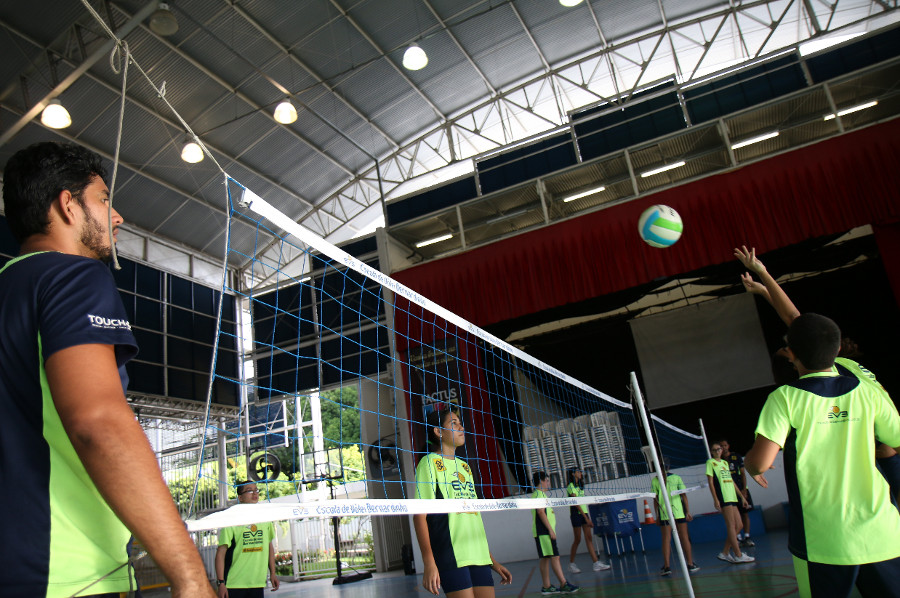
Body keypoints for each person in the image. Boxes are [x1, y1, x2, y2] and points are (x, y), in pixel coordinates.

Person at [0, 141, 214, 597]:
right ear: (67, 205)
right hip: (62, 571)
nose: (116, 216)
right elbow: (99, 424)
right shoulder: (71, 276)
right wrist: (192, 577)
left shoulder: (8, 286)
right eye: (103, 199)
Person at [744, 313, 900, 598]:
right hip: (882, 530)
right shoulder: (868, 393)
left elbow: (760, 462)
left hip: (821, 539)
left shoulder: (785, 398)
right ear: (838, 350)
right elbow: (896, 439)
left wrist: (750, 465)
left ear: (791, 354)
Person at [736, 245, 900, 513]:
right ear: (796, 361)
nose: (789, 343)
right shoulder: (835, 380)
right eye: (787, 348)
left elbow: (795, 319)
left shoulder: (837, 367)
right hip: (882, 449)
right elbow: (795, 319)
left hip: (885, 444)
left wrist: (765, 286)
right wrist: (763, 273)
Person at [413, 408, 512, 597]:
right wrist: (428, 562)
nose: (461, 427)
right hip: (452, 555)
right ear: (438, 431)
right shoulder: (429, 463)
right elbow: (419, 516)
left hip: (479, 556)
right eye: (454, 423)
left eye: (460, 422)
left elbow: (472, 519)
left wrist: (491, 560)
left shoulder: (465, 466)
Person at [215, 481, 280, 597]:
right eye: (249, 491)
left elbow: (269, 547)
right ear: (240, 497)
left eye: (256, 490)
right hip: (234, 584)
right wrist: (221, 582)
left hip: (257, 583)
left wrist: (273, 574)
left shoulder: (265, 518)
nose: (254, 493)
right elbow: (221, 552)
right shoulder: (232, 520)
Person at [706, 443, 754, 564]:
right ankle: (737, 555)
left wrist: (742, 497)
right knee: (731, 526)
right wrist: (715, 499)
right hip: (723, 497)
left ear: (722, 450)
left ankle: (725, 552)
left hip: (732, 496)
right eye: (714, 449)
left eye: (719, 449)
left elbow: (731, 481)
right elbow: (711, 483)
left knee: (739, 525)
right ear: (711, 452)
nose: (717, 451)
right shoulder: (710, 463)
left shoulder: (725, 463)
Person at [532, 471, 579, 594]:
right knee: (555, 557)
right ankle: (563, 583)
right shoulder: (538, 495)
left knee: (545, 558)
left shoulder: (541, 494)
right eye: (547, 480)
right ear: (541, 481)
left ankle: (546, 586)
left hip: (543, 532)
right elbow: (541, 512)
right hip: (544, 532)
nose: (548, 483)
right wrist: (550, 530)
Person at [651, 458, 700, 576]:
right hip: (678, 512)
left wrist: (657, 515)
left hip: (665, 513)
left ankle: (667, 567)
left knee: (667, 539)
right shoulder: (675, 477)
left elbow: (655, 500)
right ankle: (690, 564)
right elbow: (684, 495)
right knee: (683, 537)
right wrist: (687, 511)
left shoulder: (656, 480)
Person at [565, 468, 610, 573]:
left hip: (584, 513)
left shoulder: (580, 486)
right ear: (573, 474)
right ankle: (571, 564)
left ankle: (596, 563)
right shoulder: (570, 486)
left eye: (581, 471)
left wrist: (586, 515)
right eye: (578, 472)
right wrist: (586, 518)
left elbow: (583, 502)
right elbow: (576, 503)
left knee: (589, 538)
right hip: (576, 514)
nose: (580, 473)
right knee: (578, 539)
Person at [718, 439, 755, 547]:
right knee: (734, 516)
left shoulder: (736, 457)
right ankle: (738, 538)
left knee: (745, 513)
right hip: (729, 492)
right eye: (721, 446)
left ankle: (747, 537)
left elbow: (743, 473)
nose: (723, 447)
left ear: (728, 446)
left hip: (741, 489)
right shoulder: (719, 461)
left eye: (725, 445)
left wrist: (744, 490)